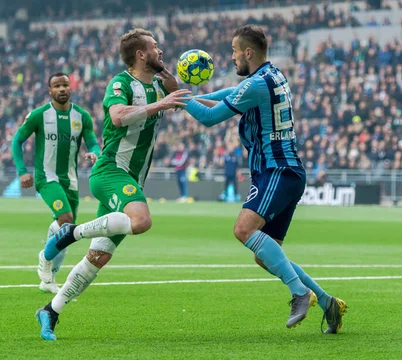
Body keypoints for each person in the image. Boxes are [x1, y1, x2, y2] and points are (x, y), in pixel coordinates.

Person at [184, 25, 347, 333]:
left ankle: (301, 293)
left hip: (277, 170)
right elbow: (229, 95)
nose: (232, 57)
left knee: (243, 229)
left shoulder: (257, 84)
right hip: (285, 171)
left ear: (249, 52)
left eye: (234, 51)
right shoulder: (273, 76)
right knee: (267, 254)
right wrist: (192, 96)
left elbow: (209, 118)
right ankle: (329, 304)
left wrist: (178, 99)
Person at [36, 28, 190, 340]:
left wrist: (165, 77)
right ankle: (71, 233)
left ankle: (51, 310)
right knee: (141, 220)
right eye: (155, 47)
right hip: (110, 171)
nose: (161, 51)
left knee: (98, 257)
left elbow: (177, 93)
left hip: (131, 180)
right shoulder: (121, 83)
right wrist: (160, 104)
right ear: (140, 54)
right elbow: (118, 116)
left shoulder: (157, 86)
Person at [11, 72, 100, 294]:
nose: (61, 89)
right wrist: (22, 171)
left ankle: (48, 277)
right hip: (46, 177)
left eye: (65, 85)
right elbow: (17, 140)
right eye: (56, 86)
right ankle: (44, 258)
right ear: (49, 90)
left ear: (71, 88)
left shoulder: (82, 116)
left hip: (70, 180)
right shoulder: (39, 115)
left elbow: (92, 142)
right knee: (66, 219)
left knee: (66, 231)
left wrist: (94, 153)